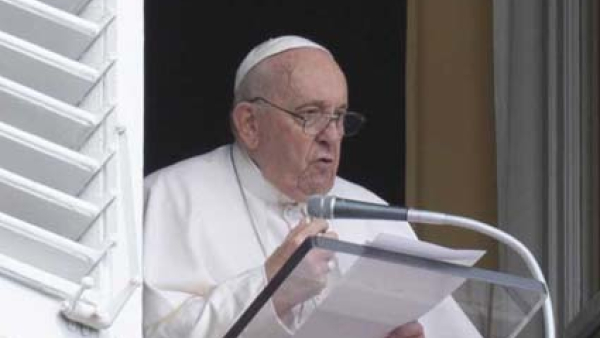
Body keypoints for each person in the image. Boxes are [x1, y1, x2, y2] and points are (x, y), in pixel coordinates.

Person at [143, 35, 478, 338]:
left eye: (339, 117)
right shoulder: (168, 199)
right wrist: (270, 288)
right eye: (311, 114)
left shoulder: (372, 212)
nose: (331, 136)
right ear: (249, 124)